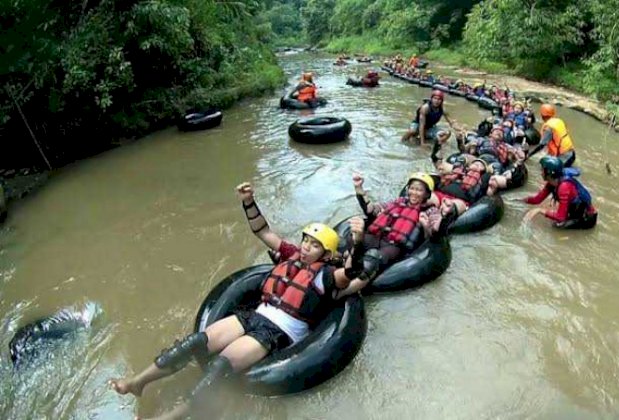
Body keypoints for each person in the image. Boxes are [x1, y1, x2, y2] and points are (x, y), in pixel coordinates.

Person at [109, 183, 366, 420]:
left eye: (315, 245)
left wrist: (356, 242)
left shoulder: (326, 276)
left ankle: (170, 417)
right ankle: (138, 382)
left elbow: (351, 273)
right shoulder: (290, 256)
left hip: (278, 332)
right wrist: (249, 201)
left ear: (327, 253)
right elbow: (262, 231)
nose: (307, 247)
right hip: (254, 315)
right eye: (306, 241)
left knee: (220, 368)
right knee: (194, 343)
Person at [337, 172, 448, 296]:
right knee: (350, 241)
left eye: (419, 190)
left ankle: (345, 293)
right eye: (412, 188)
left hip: (394, 246)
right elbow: (371, 209)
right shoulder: (397, 202)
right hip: (375, 236)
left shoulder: (430, 210)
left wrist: (440, 218)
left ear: (426, 194)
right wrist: (359, 189)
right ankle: (340, 272)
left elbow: (436, 231)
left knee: (373, 256)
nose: (414, 193)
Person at [522, 156, 597, 229]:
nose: (541, 173)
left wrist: (540, 210)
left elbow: (560, 218)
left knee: (557, 225)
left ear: (549, 173)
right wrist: (521, 200)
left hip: (587, 218)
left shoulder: (564, 187)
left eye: (542, 170)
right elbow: (537, 200)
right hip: (575, 211)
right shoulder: (552, 182)